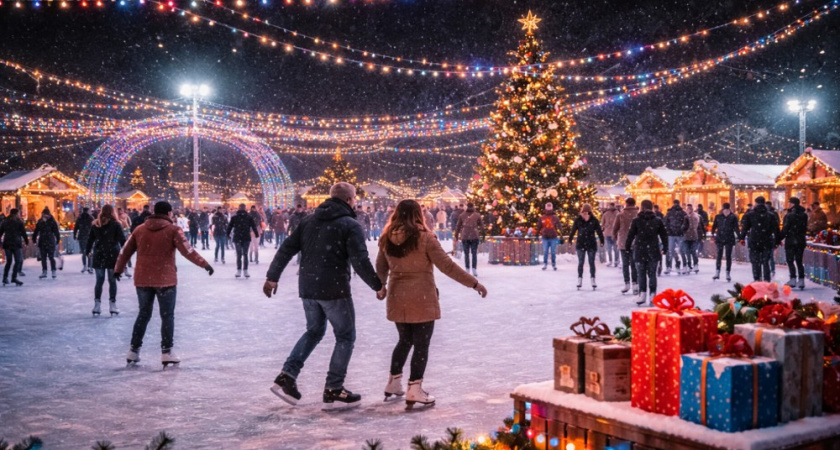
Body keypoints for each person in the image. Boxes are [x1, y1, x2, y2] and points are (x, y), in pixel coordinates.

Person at [264, 182, 382, 408]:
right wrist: (377, 285)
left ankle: (287, 375)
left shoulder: (309, 220)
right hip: (334, 288)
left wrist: (272, 276)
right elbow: (360, 260)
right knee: (345, 336)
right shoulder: (350, 224)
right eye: (354, 199)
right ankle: (334, 388)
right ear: (349, 200)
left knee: (314, 330)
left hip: (308, 288)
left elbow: (287, 248)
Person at [375, 199, 487, 409]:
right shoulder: (424, 237)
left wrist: (381, 286)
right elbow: (447, 265)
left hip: (397, 295)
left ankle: (393, 382)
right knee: (421, 344)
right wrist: (474, 283)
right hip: (422, 296)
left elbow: (381, 266)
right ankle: (415, 389)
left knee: (404, 340)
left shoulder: (387, 237)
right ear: (419, 215)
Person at [114, 201, 214, 367]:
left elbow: (125, 250)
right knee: (167, 315)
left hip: (143, 279)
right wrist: (204, 264)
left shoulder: (139, 230)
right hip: (165, 279)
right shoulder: (173, 230)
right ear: (168, 214)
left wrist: (118, 269)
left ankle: (133, 350)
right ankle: (166, 351)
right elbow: (188, 250)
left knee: (143, 314)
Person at [625, 200, 669, 306]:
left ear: (642, 207)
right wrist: (665, 247)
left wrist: (627, 247)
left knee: (641, 274)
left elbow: (631, 235)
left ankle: (642, 294)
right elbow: (664, 235)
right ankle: (653, 295)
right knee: (652, 274)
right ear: (652, 207)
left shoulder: (636, 220)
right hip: (653, 250)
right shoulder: (657, 220)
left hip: (640, 250)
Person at [86, 205, 126, 316]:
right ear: (113, 212)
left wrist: (88, 251)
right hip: (113, 254)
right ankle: (112, 305)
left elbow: (90, 239)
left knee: (99, 280)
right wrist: (126, 251)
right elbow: (122, 240)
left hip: (99, 254)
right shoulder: (116, 225)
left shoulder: (96, 224)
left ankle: (97, 305)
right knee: (112, 281)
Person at [739, 196, 779, 282]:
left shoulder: (750, 214)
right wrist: (777, 240)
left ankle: (757, 279)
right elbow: (775, 229)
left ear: (756, 203)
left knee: (755, 262)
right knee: (766, 262)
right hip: (767, 241)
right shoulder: (771, 215)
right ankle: (767, 280)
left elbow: (745, 228)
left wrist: (741, 238)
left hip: (754, 240)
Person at [568, 204, 605, 290]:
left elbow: (599, 231)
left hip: (591, 243)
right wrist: (570, 240)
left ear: (589, 212)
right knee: (581, 262)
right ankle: (580, 279)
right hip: (581, 243)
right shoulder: (578, 220)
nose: (585, 214)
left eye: (586, 212)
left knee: (591, 262)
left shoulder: (594, 220)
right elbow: (573, 230)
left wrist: (602, 240)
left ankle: (593, 279)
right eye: (583, 212)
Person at [778, 197, 809, 290]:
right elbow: (804, 228)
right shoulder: (804, 215)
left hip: (791, 240)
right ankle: (801, 279)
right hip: (800, 240)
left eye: (790, 203)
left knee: (790, 260)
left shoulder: (789, 215)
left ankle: (793, 278)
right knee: (799, 260)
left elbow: (785, 229)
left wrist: (778, 238)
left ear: (792, 204)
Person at [613, 197, 639, 295]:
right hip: (635, 243)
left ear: (626, 204)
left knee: (625, 264)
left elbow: (615, 229)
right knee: (634, 264)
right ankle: (635, 284)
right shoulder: (638, 214)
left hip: (623, 243)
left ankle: (627, 283)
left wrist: (617, 239)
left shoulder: (621, 215)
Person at [227, 204, 260, 278]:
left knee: (240, 255)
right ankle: (244, 270)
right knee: (244, 254)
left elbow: (230, 226)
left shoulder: (236, 217)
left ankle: (241, 270)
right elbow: (254, 226)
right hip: (244, 237)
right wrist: (256, 234)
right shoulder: (247, 217)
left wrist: (228, 234)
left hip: (239, 237)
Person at [710, 202, 739, 282]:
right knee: (719, 255)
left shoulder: (733, 217)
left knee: (728, 256)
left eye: (727, 210)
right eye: (725, 210)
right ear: (722, 209)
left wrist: (740, 237)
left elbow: (736, 228)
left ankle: (727, 273)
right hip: (720, 238)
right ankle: (717, 272)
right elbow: (714, 226)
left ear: (729, 210)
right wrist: (712, 234)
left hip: (729, 238)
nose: (726, 211)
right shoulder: (718, 217)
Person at [0, 208, 27, 286]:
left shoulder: (5, 221)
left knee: (9, 261)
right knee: (17, 260)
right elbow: (23, 232)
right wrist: (26, 240)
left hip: (7, 243)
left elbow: (1, 232)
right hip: (16, 243)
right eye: (18, 213)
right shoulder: (19, 222)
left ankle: (5, 277)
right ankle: (13, 277)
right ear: (16, 214)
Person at [454, 203, 483, 277]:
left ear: (466, 207)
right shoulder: (477, 215)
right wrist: (483, 234)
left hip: (465, 236)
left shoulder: (462, 215)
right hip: (474, 235)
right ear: (473, 207)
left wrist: (456, 235)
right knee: (474, 253)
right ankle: (474, 269)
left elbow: (458, 226)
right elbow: (482, 225)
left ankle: (467, 268)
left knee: (466, 253)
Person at [33, 208, 60, 279]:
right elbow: (36, 231)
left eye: (45, 215)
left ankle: (53, 270)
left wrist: (57, 239)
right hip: (42, 241)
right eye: (43, 215)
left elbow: (56, 231)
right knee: (43, 258)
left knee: (51, 257)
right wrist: (34, 238)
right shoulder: (40, 222)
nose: (43, 216)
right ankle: (44, 271)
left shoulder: (52, 222)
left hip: (50, 241)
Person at [663, 199, 687, 275]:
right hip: (678, 234)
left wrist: (668, 230)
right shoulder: (682, 213)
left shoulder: (670, 213)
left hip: (672, 234)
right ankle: (680, 266)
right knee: (680, 251)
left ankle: (670, 266)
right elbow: (686, 223)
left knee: (671, 251)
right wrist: (683, 230)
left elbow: (666, 222)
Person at [536, 202, 562, 271]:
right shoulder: (542, 218)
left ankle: (553, 264)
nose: (548, 211)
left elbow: (559, 226)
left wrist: (561, 233)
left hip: (553, 237)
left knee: (553, 251)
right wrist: (537, 234)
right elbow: (539, 226)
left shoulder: (555, 217)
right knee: (546, 251)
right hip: (545, 237)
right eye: (547, 210)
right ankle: (545, 264)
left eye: (549, 210)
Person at [680, 204, 701, 274]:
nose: (688, 210)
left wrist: (683, 228)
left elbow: (690, 227)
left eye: (689, 209)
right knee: (690, 251)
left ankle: (693, 265)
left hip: (690, 236)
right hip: (690, 236)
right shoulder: (695, 216)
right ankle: (692, 265)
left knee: (690, 251)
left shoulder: (693, 217)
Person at [74, 207, 94, 273]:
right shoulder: (91, 218)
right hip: (89, 237)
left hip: (82, 237)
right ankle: (89, 267)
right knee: (89, 252)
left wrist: (75, 235)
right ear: (88, 211)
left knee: (84, 252)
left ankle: (85, 266)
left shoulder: (80, 218)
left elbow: (76, 227)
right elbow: (94, 228)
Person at [601, 202, 620, 267]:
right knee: (612, 248)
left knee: (612, 248)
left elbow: (602, 223)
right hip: (612, 233)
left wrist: (604, 227)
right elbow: (602, 223)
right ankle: (614, 261)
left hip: (611, 233)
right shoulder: (616, 213)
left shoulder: (616, 214)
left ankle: (613, 261)